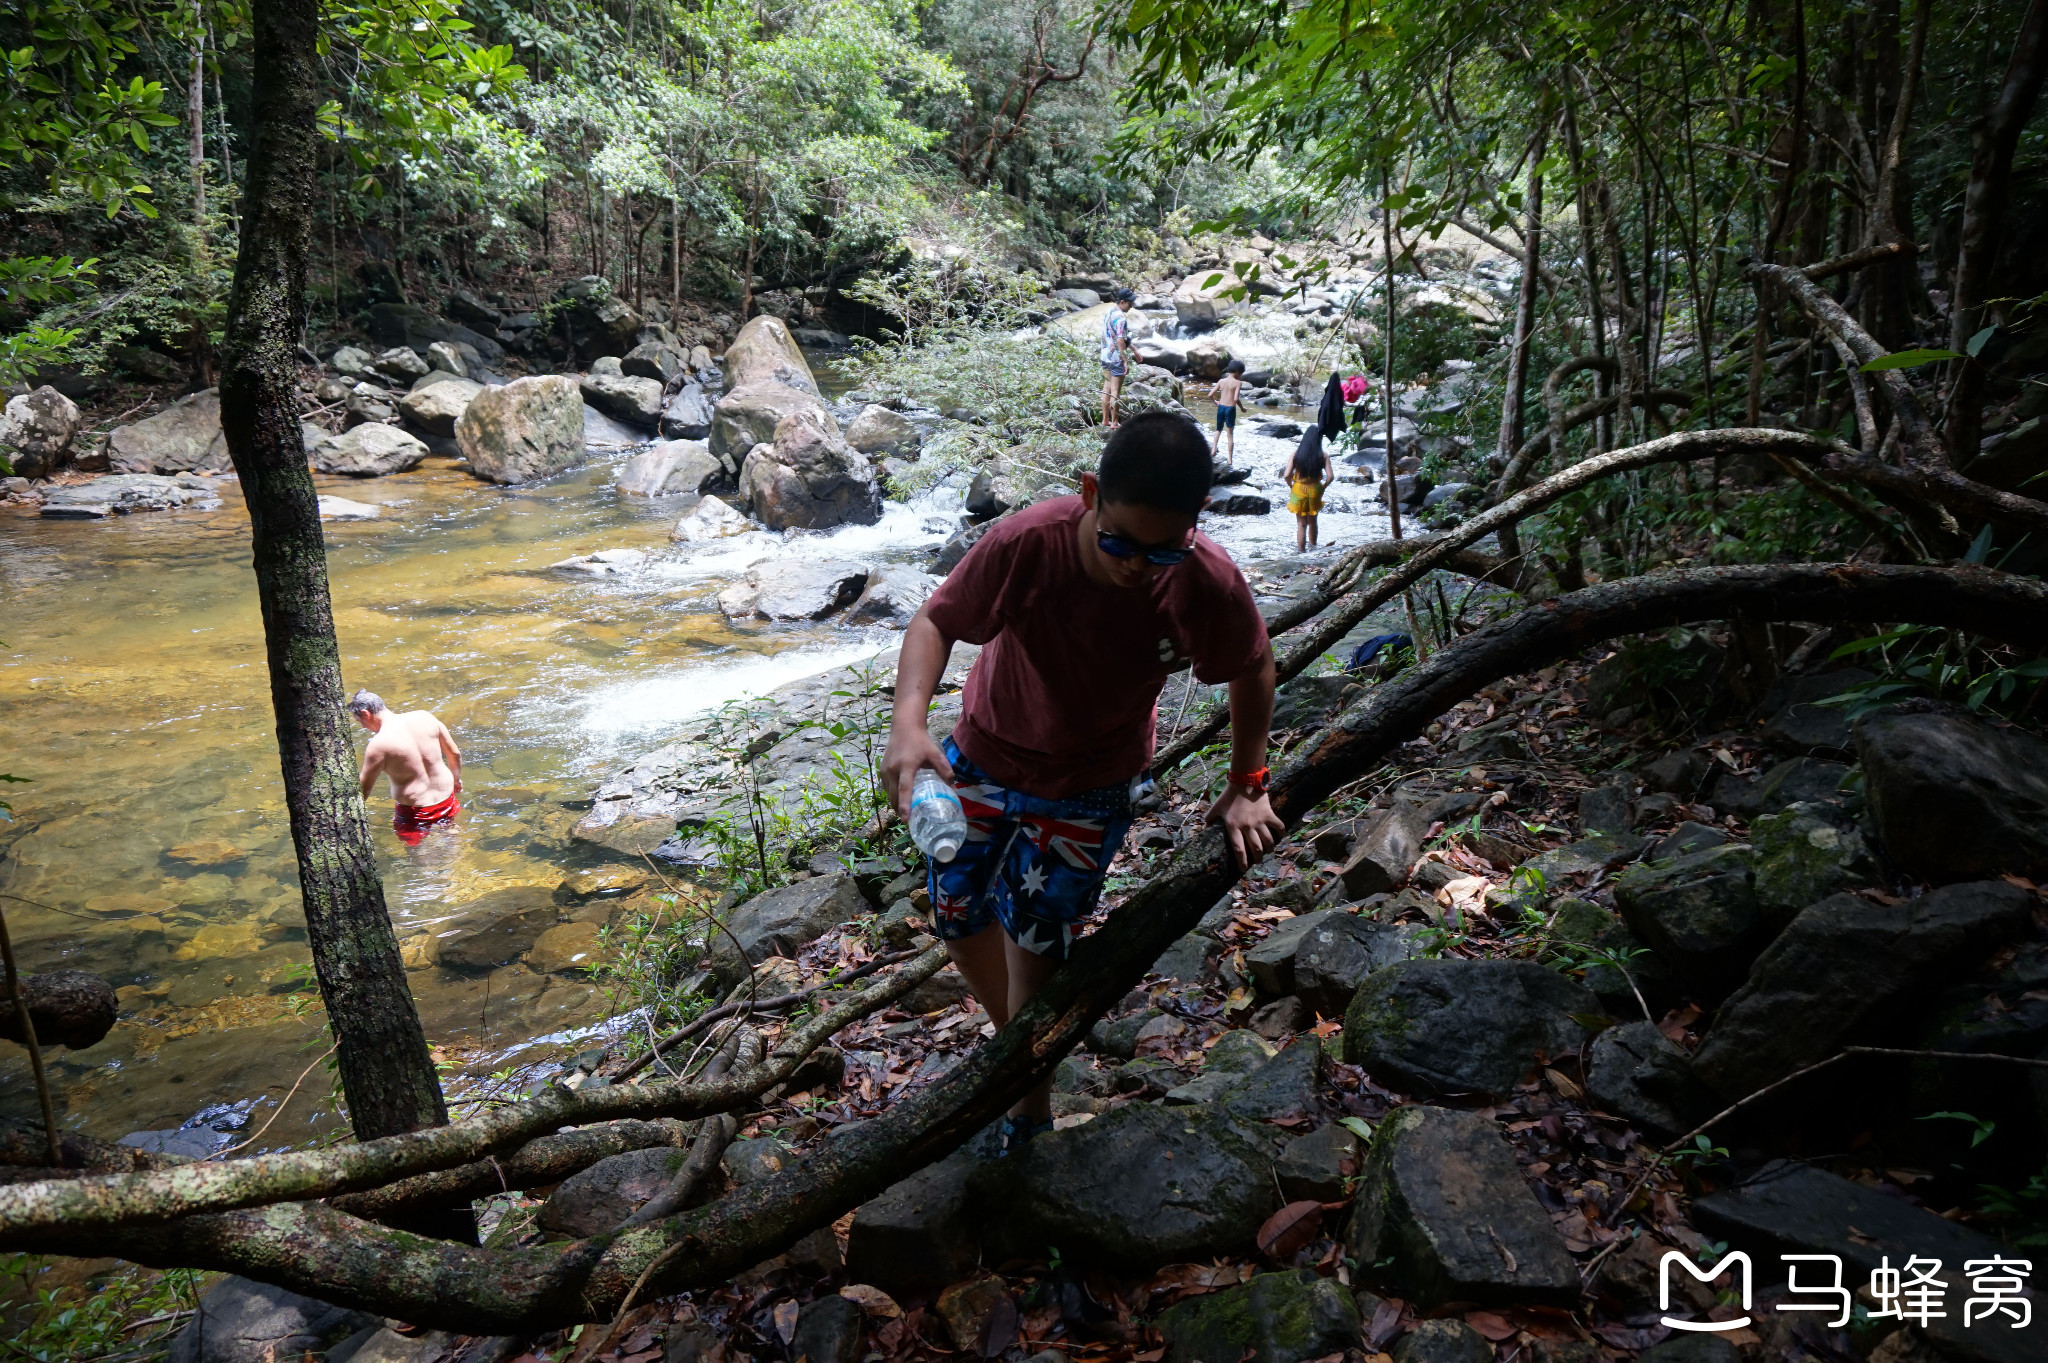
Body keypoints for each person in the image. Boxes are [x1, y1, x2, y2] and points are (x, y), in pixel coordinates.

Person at [882, 411, 1284, 1153]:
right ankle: (1024, 1045)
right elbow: (937, 620)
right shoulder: (1027, 543)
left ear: (1196, 521)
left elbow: (1254, 667)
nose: (1136, 565)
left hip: (1093, 783)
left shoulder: (1206, 582)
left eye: (1162, 552)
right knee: (959, 914)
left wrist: (1249, 780)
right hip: (984, 753)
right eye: (1119, 542)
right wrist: (910, 721)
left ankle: (1028, 1106)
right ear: (1091, 492)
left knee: (1037, 938)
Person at [349, 690, 463, 845]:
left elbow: (364, 790)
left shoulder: (378, 745)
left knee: (419, 853)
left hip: (415, 812)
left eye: (359, 721)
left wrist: (350, 819)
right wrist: (456, 780)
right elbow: (454, 754)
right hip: (446, 798)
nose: (363, 727)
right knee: (450, 833)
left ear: (365, 713)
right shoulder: (425, 717)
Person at [1283, 424, 1332, 552]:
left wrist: (1291, 486)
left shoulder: (1296, 454)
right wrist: (1323, 487)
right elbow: (1330, 476)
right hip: (1315, 489)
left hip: (1298, 489)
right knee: (1313, 522)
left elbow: (1287, 475)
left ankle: (1301, 551)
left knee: (1301, 524)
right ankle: (1313, 548)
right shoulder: (1323, 455)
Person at [1099, 288, 1137, 428]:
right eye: (1130, 302)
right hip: (1116, 358)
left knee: (1106, 388)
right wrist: (1125, 360)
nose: (1132, 305)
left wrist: (1134, 349)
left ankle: (1105, 420)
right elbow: (1120, 339)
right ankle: (1114, 422)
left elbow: (1112, 335)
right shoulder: (1121, 317)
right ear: (1122, 302)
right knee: (1115, 391)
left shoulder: (1109, 312)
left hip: (1105, 356)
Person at [1212, 359, 1245, 464]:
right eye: (1241, 374)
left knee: (1218, 429)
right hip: (1230, 409)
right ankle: (1230, 459)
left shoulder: (1221, 381)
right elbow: (1236, 399)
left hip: (1221, 407)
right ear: (1237, 372)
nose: (1240, 376)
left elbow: (1209, 394)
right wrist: (1242, 408)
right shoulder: (1238, 383)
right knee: (1230, 434)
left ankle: (1213, 449)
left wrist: (1215, 402)